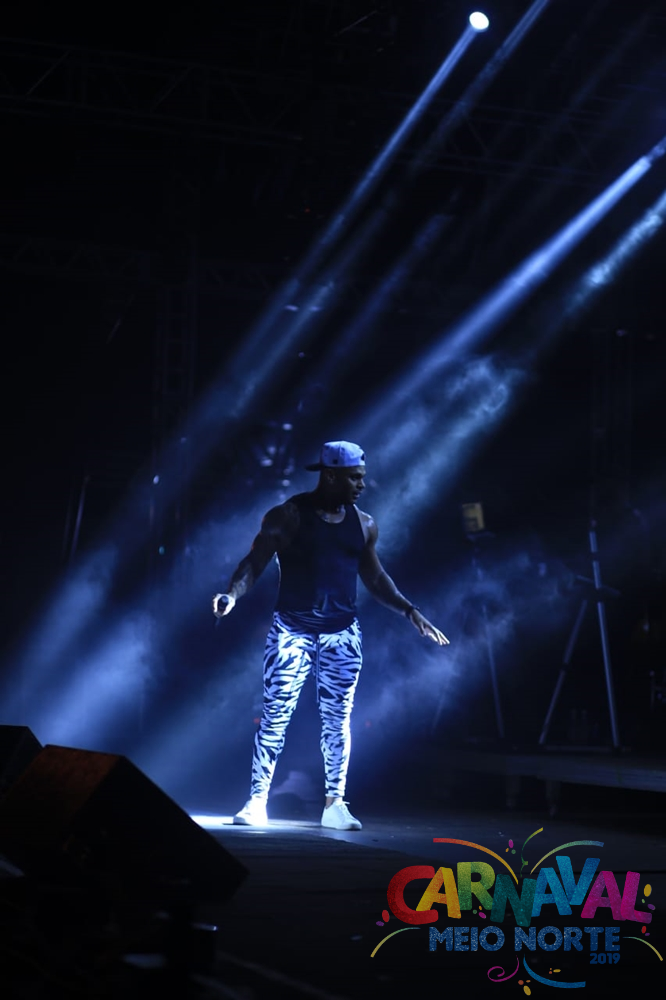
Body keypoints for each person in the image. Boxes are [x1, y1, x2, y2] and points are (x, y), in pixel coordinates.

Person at [212, 440, 449, 830]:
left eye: (362, 477)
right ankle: (257, 800)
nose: (361, 485)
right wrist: (232, 595)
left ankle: (335, 803)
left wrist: (411, 610)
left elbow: (375, 577)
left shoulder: (364, 524)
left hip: (342, 633)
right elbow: (254, 561)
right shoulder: (288, 516)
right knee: (275, 716)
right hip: (292, 630)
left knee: (338, 720)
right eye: (354, 478)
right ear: (331, 476)